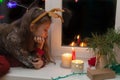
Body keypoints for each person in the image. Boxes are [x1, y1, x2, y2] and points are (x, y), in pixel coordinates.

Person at [0, 7, 64, 77]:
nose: (47, 34)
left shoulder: (30, 37)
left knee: (15, 61)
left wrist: (39, 48)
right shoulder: (14, 38)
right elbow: (33, 63)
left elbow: (38, 60)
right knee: (4, 65)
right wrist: (39, 49)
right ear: (32, 28)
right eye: (45, 30)